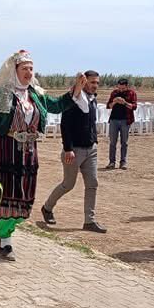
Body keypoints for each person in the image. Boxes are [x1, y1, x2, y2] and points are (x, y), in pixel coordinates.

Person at [0, 51, 85, 260]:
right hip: (7, 152)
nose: (29, 72)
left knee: (25, 198)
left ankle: (1, 226)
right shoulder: (1, 94)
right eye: (24, 68)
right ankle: (5, 240)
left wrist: (76, 89)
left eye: (31, 69)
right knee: (7, 197)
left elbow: (56, 105)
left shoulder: (35, 94)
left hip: (29, 154)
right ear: (14, 71)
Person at [41, 70, 106, 233]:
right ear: (83, 82)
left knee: (92, 184)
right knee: (68, 184)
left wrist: (94, 141)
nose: (95, 85)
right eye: (92, 82)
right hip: (74, 151)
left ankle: (89, 221)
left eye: (97, 83)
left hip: (91, 150)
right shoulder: (74, 99)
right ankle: (47, 208)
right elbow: (65, 125)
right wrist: (68, 149)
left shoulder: (93, 100)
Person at [106, 77, 137, 170]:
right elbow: (108, 106)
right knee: (112, 142)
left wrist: (124, 103)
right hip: (114, 120)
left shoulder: (132, 93)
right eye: (119, 88)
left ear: (127, 86)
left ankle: (123, 162)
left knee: (124, 142)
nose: (121, 90)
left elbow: (134, 107)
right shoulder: (114, 93)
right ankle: (112, 162)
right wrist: (114, 102)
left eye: (123, 88)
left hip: (125, 120)